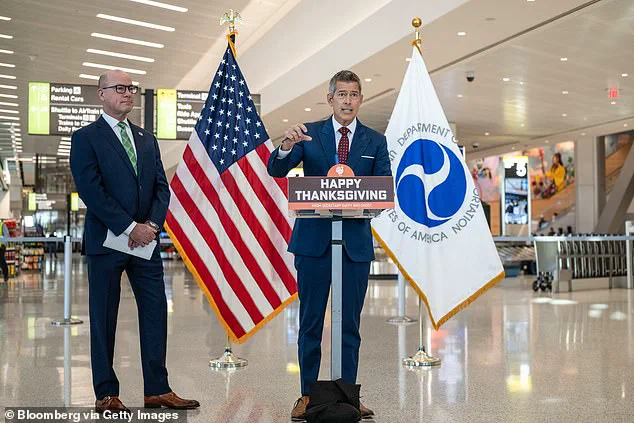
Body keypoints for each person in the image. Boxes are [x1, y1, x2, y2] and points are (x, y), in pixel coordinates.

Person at [70, 70, 198, 413]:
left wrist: (151, 225)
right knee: (104, 317)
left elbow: (161, 187)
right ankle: (106, 393)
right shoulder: (86, 138)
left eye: (131, 88)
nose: (127, 93)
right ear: (101, 93)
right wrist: (130, 227)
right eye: (119, 88)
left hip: (145, 244)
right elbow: (91, 191)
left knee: (156, 311)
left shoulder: (146, 138)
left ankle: (157, 389)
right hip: (107, 242)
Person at [267, 70, 391, 420]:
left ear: (360, 99)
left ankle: (348, 396)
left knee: (350, 324)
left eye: (354, 94)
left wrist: (369, 198)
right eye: (342, 95)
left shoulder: (374, 141)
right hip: (313, 243)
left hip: (354, 246)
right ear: (330, 99)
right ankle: (307, 395)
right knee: (310, 323)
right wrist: (286, 146)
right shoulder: (308, 134)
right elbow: (276, 169)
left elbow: (384, 187)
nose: (347, 101)